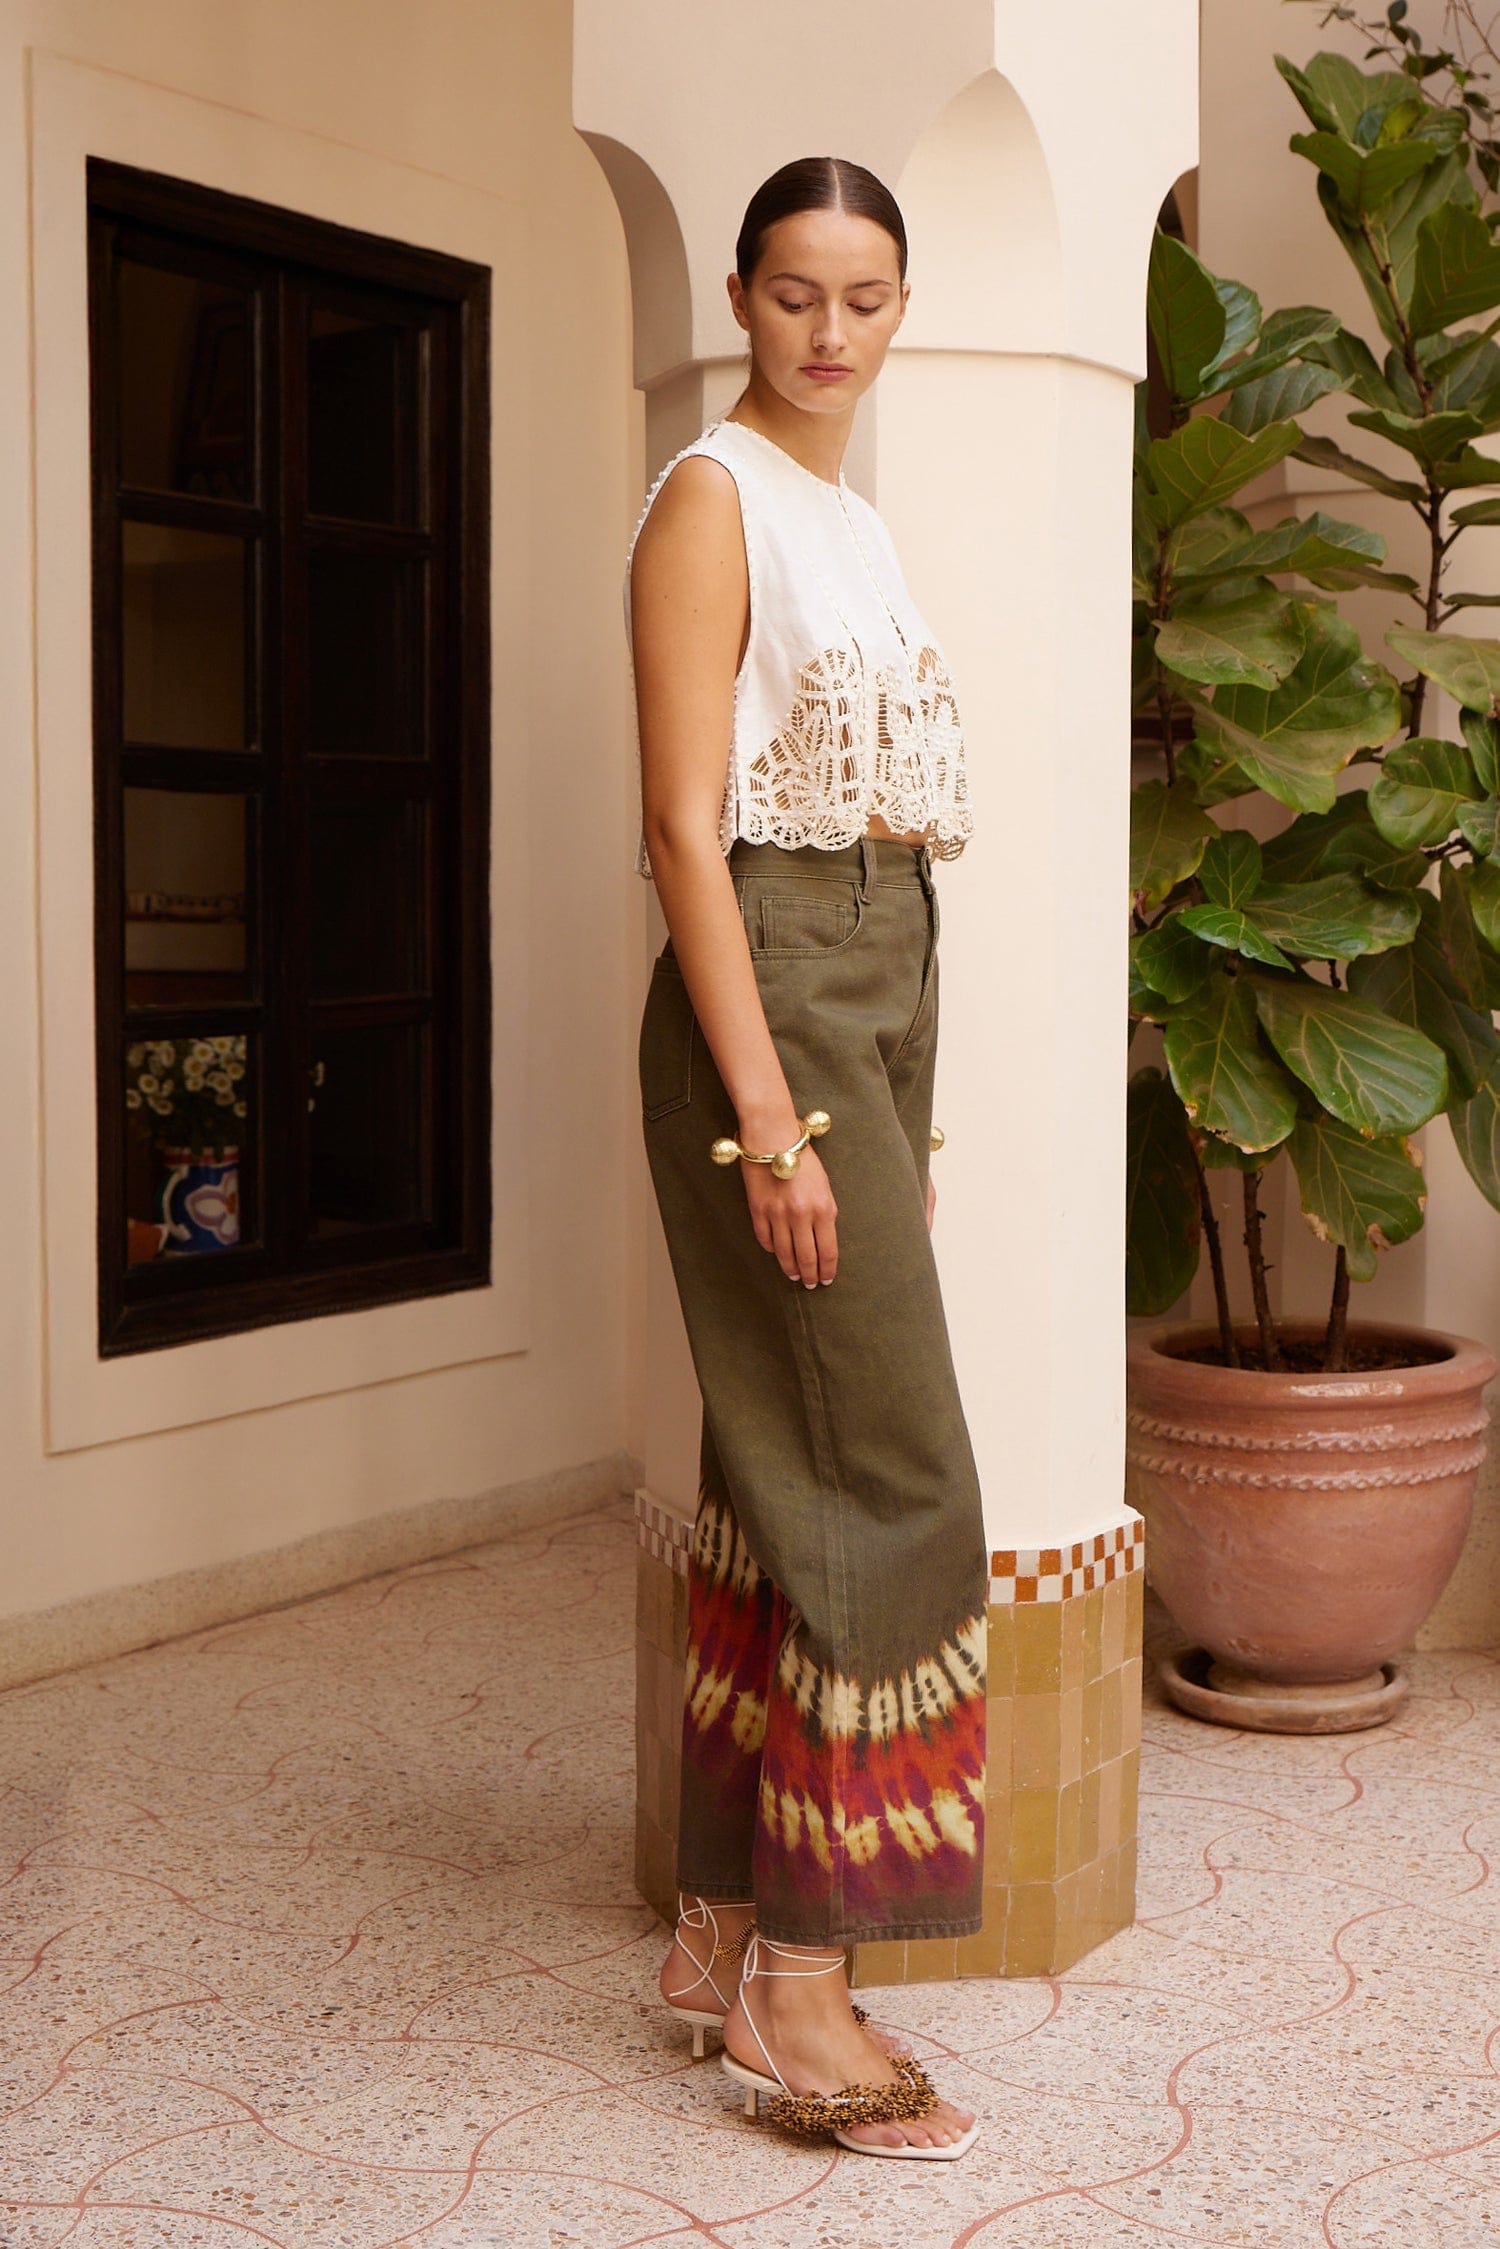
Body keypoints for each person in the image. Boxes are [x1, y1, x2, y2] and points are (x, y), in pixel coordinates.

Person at [627, 155, 986, 2161]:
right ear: (743, 301)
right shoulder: (715, 498)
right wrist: (771, 1116)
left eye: (864, 296)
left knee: (782, 1475)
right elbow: (689, 830)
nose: (828, 331)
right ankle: (802, 1984)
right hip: (775, 993)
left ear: (901, 307)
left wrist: (905, 1108)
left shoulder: (853, 518)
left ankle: (714, 1932)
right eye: (793, 293)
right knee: (888, 1485)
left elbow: (891, 844)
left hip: (873, 986)